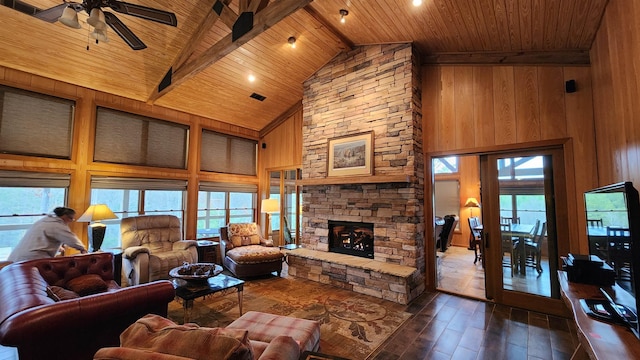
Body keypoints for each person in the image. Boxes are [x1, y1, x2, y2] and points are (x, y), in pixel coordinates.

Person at [8, 207, 87, 262]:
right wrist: (82, 249)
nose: (71, 221)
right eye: (71, 218)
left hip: (18, 257)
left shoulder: (44, 221)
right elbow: (71, 239)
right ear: (64, 216)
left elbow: (41, 239)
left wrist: (58, 247)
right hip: (32, 258)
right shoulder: (56, 224)